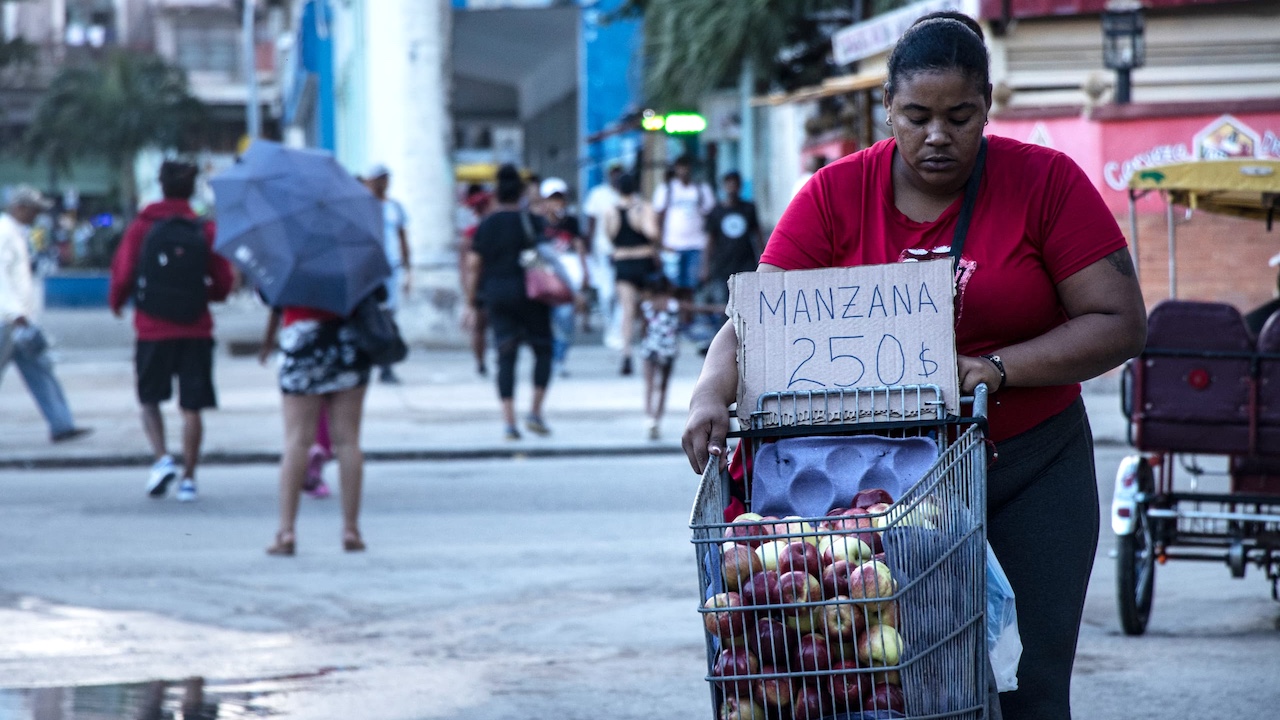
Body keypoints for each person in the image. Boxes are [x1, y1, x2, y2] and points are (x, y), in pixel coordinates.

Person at [680, 13, 1147, 720]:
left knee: (1036, 682)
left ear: (987, 106)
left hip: (1033, 464)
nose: (938, 135)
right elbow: (756, 322)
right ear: (888, 111)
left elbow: (1119, 322)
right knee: (898, 677)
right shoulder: (834, 195)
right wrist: (711, 392)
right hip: (886, 490)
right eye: (917, 116)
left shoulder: (1045, 183)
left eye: (960, 116)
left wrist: (998, 366)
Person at [110, 162, 234, 501]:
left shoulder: (142, 227)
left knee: (150, 399)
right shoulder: (203, 229)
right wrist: (205, 296)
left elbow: (123, 273)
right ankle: (190, 479)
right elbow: (224, 281)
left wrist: (118, 302)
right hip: (196, 327)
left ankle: (162, 458)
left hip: (151, 328)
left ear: (160, 186)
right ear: (192, 189)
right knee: (191, 405)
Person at [262, 288, 373, 555]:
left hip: (301, 338)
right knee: (348, 441)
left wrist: (267, 341)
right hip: (348, 339)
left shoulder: (291, 252)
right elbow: (375, 293)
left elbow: (270, 297)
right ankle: (351, 529)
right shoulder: (353, 250)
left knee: (297, 441)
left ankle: (287, 531)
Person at [464, 164, 556, 440]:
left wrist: (471, 302)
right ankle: (535, 412)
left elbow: (474, 265)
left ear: (496, 194)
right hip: (532, 295)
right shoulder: (533, 221)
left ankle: (509, 423)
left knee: (506, 355)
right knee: (543, 350)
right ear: (521, 193)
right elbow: (545, 257)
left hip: (498, 295)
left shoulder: (486, 225)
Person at [0, 186, 92, 444]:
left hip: (19, 320)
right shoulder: (4, 234)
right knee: (39, 370)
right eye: (33, 210)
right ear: (19, 208)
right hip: (8, 319)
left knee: (41, 371)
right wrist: (14, 312)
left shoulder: (16, 234)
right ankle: (61, 423)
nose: (36, 216)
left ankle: (62, 424)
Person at [258, 311, 331, 499]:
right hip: (334, 342)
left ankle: (287, 524)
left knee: (296, 434)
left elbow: (275, 309)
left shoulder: (291, 282)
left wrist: (267, 343)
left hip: (298, 343)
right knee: (329, 410)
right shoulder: (339, 281)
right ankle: (350, 526)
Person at [605, 173, 661, 376]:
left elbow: (610, 236)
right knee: (647, 310)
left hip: (622, 262)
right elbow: (653, 234)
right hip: (643, 261)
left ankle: (627, 353)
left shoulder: (611, 211)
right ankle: (649, 351)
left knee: (627, 310)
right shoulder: (644, 208)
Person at [698, 170, 762, 348]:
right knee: (722, 306)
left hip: (745, 263)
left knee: (746, 304)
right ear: (724, 186)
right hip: (722, 265)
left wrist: (764, 260)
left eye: (735, 183)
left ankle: (746, 341)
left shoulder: (749, 208)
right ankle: (723, 344)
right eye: (729, 183)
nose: (732, 187)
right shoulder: (716, 212)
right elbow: (710, 241)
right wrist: (704, 266)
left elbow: (757, 236)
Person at [538, 177, 590, 378]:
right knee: (546, 323)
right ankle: (548, 358)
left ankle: (558, 359)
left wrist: (585, 272)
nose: (557, 203)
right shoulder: (538, 223)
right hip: (546, 279)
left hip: (568, 280)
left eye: (560, 199)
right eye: (553, 199)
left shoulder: (572, 223)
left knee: (566, 318)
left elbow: (579, 247)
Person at [364, 164, 410, 385]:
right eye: (379, 178)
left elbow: (403, 239)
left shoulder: (394, 208)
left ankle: (386, 365)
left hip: (391, 267)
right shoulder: (362, 207)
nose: (383, 183)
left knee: (388, 315)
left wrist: (408, 269)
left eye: (386, 178)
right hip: (368, 268)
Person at [653, 155, 714, 300]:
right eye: (680, 167)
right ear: (675, 169)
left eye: (686, 167)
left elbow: (710, 218)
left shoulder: (701, 190)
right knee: (672, 285)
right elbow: (658, 218)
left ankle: (688, 319)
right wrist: (659, 243)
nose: (683, 171)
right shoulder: (666, 190)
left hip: (696, 245)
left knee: (691, 286)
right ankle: (676, 318)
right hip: (672, 245)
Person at [583, 164, 624, 348]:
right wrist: (588, 249)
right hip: (602, 251)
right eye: (613, 174)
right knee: (606, 294)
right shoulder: (598, 194)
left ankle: (618, 330)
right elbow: (590, 223)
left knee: (622, 295)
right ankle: (610, 327)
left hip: (623, 253)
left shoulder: (628, 196)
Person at [457, 184, 493, 375]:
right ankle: (481, 361)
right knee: (481, 326)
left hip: (480, 284)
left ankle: (481, 361)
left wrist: (466, 289)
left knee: (480, 327)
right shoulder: (475, 233)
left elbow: (465, 266)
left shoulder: (470, 234)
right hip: (486, 282)